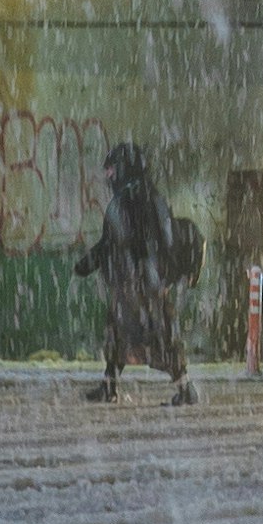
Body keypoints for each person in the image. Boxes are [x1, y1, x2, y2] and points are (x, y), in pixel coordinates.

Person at [78, 139, 194, 402]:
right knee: (127, 333)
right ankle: (111, 386)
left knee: (150, 335)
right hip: (147, 282)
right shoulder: (152, 197)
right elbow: (166, 240)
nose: (108, 176)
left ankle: (185, 388)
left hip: (136, 284)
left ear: (122, 168)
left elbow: (114, 242)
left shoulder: (127, 201)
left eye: (111, 170)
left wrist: (89, 262)